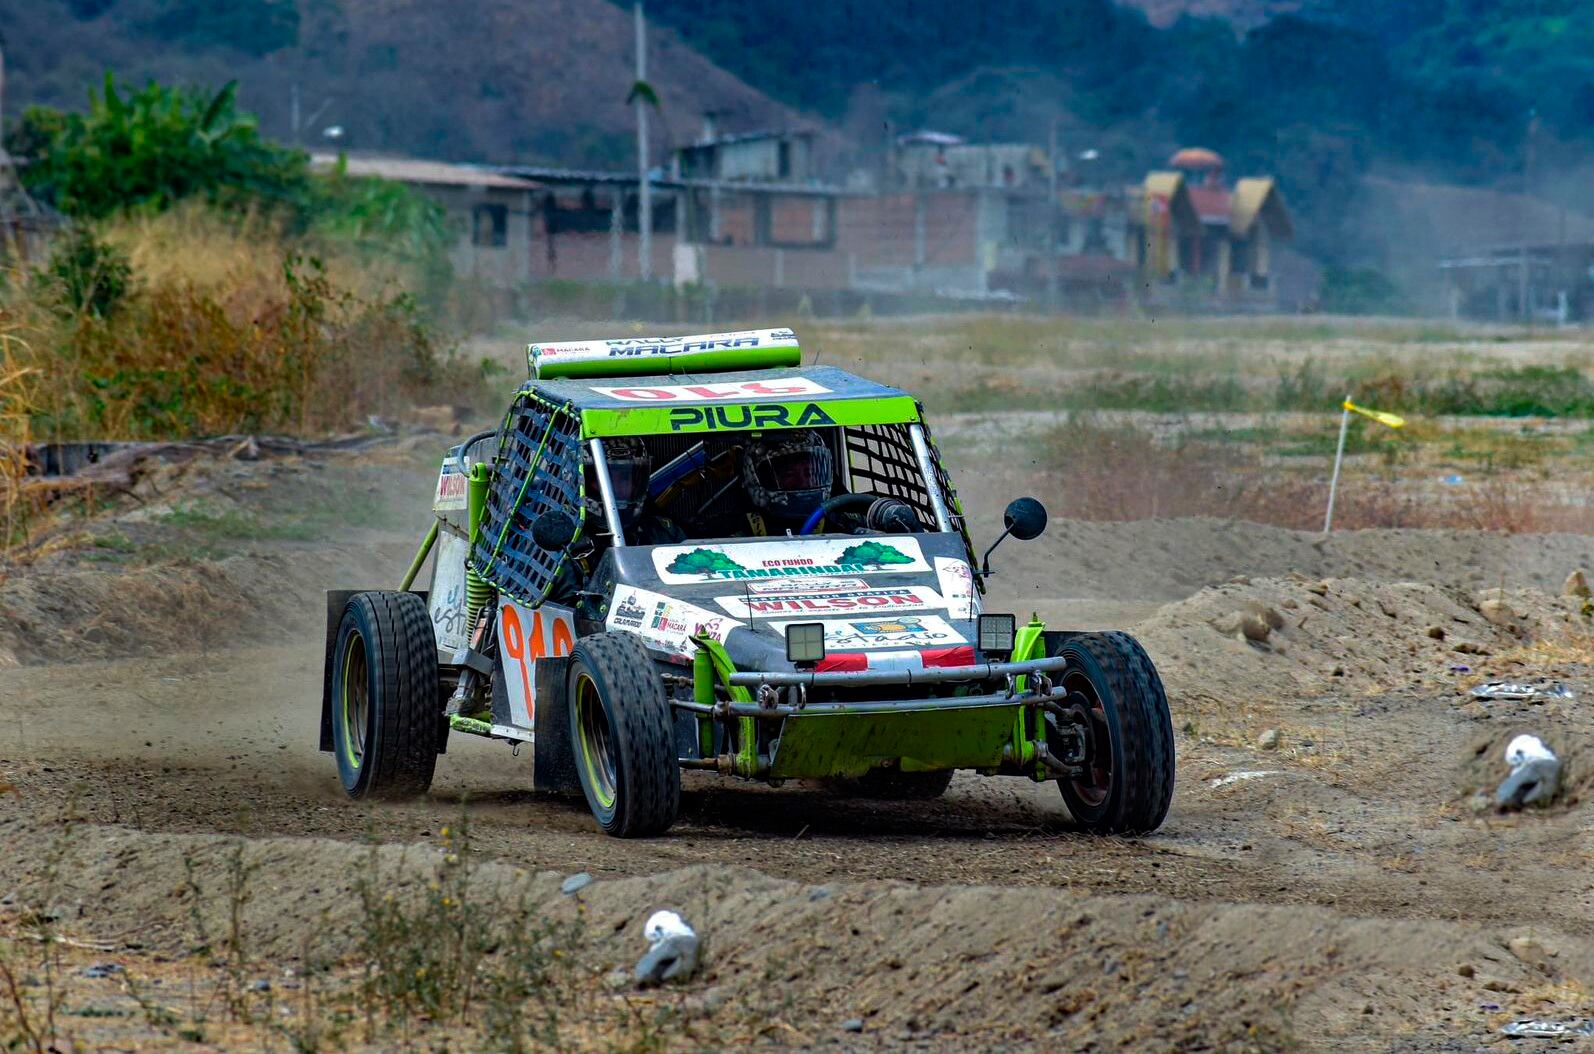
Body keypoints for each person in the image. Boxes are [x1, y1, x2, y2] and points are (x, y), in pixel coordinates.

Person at [738, 429, 834, 535]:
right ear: (755, 478)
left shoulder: (840, 525)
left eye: (809, 473)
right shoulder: (737, 534)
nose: (803, 482)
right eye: (790, 474)